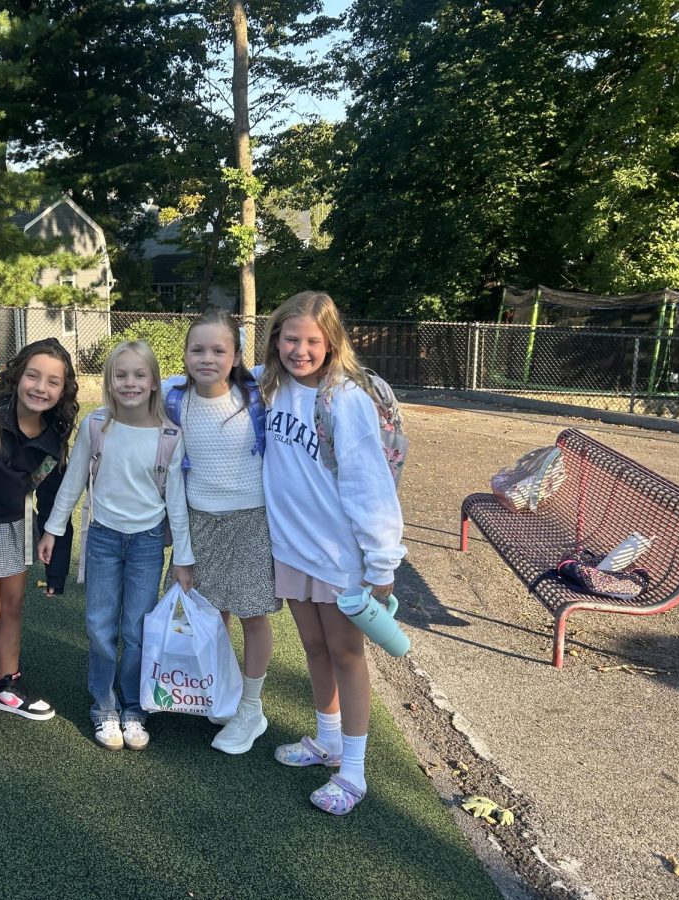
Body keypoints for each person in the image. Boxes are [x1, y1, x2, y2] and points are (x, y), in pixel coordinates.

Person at [258, 291, 406, 815]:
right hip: (292, 550)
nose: (300, 350)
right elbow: (212, 375)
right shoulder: (269, 385)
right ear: (276, 338)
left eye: (312, 341)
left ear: (331, 343)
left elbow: (370, 487)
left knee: (346, 654)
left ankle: (355, 772)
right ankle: (327, 740)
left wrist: (383, 563)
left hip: (340, 558)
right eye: (290, 338)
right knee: (314, 648)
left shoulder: (345, 400)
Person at [38, 340, 194, 752]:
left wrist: (183, 556)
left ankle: (133, 707)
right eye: (120, 375)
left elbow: (176, 501)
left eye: (139, 375)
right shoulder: (96, 425)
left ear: (155, 383)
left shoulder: (170, 436)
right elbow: (72, 483)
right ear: (109, 381)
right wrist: (53, 529)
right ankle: (104, 706)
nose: (130, 383)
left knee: (137, 630)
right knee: (100, 627)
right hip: (103, 539)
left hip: (146, 545)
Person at [161, 311, 279, 755]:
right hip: (199, 522)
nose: (207, 358)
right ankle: (222, 691)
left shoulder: (257, 394)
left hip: (251, 521)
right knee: (211, 615)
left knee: (251, 613)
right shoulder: (174, 397)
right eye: (197, 349)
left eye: (218, 350)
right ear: (185, 355)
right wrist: (183, 550)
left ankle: (251, 708)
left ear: (235, 355)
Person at [0, 338, 79, 723]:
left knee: (12, 608)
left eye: (53, 381)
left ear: (63, 390)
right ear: (18, 376)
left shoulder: (52, 441)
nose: (40, 388)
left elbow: (54, 502)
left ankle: (6, 683)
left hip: (15, 527)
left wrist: (56, 567)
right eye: (33, 375)